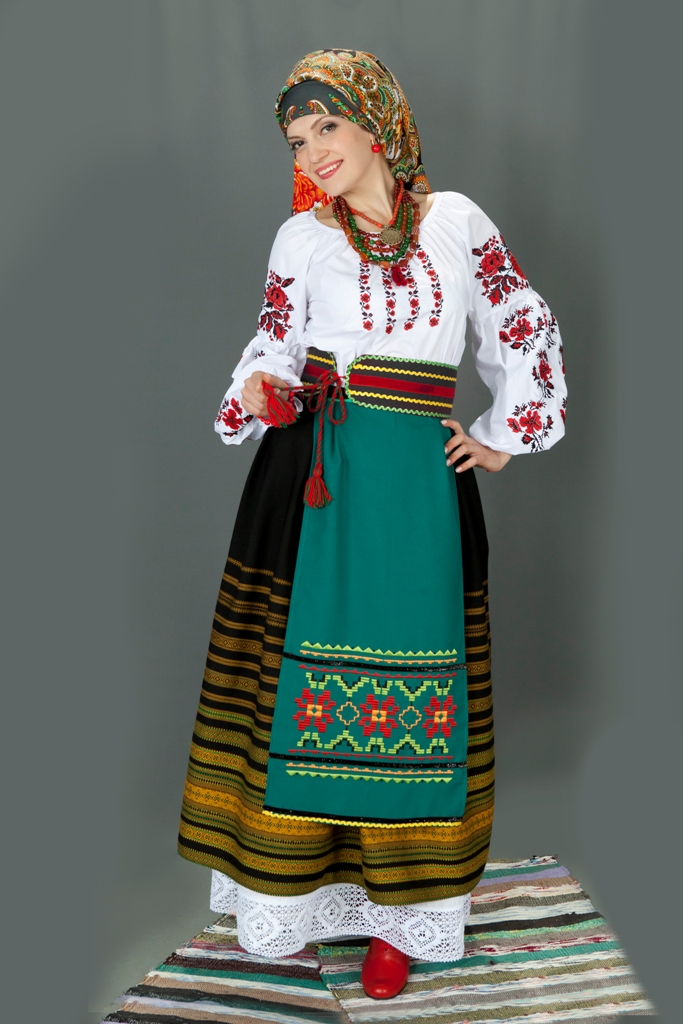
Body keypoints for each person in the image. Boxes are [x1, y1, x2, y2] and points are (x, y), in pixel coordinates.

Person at [178, 48, 566, 1000]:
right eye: (296, 139)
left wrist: (503, 434)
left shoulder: (458, 222)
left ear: (378, 123)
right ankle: (296, 901)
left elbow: (518, 322)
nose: (312, 152)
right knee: (297, 690)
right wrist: (259, 389)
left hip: (412, 486)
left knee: (411, 698)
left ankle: (403, 920)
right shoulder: (299, 239)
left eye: (326, 126)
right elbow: (273, 343)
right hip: (311, 474)